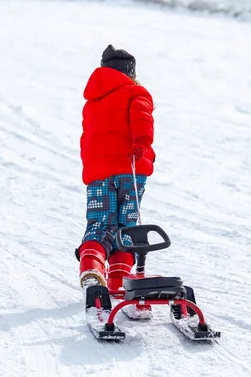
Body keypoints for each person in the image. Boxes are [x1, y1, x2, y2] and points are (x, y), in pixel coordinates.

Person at [76, 44, 156, 313]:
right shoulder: (137, 92)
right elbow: (143, 120)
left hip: (99, 174)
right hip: (132, 170)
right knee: (127, 227)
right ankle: (119, 279)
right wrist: (142, 144)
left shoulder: (92, 102)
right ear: (130, 72)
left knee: (100, 223)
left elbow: (89, 138)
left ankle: (91, 268)